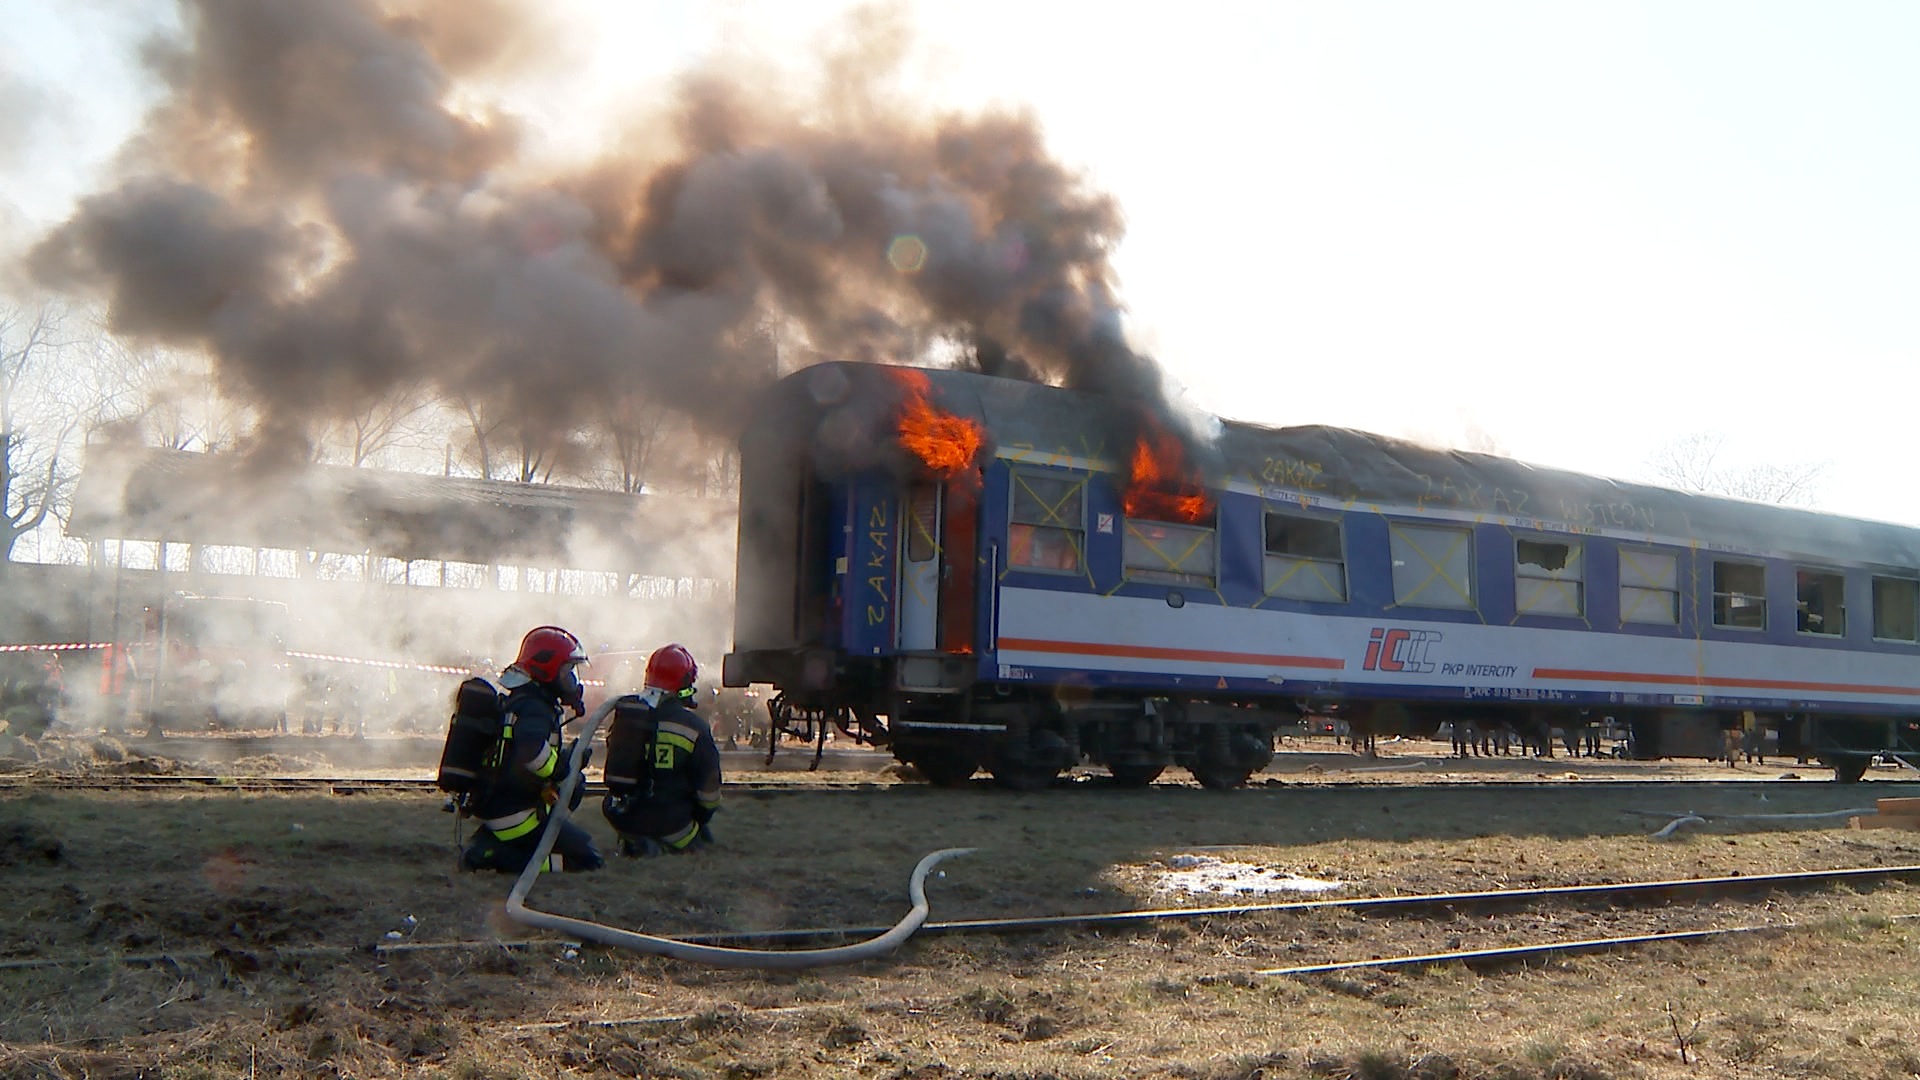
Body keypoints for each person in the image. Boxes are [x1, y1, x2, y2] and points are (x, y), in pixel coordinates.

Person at [461, 626, 604, 874]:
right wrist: (564, 766)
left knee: (576, 783)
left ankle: (492, 842)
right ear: (547, 669)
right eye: (567, 670)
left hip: (503, 807)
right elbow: (532, 756)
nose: (572, 680)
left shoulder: (524, 700)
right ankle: (496, 857)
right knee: (587, 858)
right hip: (518, 816)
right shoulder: (536, 707)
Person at [601, 644, 724, 857]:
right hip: (672, 824)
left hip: (624, 818)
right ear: (685, 682)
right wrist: (701, 817)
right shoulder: (693, 727)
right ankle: (661, 845)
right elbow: (709, 794)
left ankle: (636, 842)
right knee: (702, 837)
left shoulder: (628, 714)